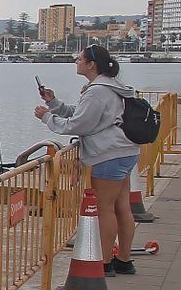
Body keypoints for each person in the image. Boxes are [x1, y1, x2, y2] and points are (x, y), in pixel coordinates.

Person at [35, 44, 141, 275]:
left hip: (108, 154)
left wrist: (47, 118)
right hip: (125, 151)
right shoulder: (111, 86)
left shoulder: (96, 91)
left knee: (105, 209)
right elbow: (83, 114)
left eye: (80, 58)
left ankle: (104, 263)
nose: (76, 61)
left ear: (91, 64)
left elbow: (79, 124)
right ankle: (124, 259)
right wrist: (54, 103)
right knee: (122, 206)